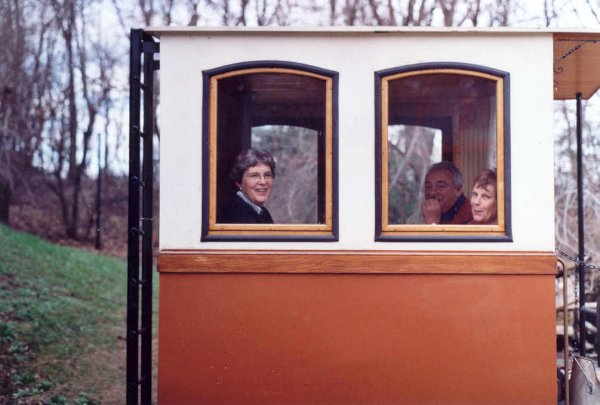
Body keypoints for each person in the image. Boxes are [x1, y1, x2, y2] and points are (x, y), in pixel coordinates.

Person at [219, 148, 276, 224]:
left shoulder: (262, 212)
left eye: (267, 175)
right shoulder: (236, 215)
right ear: (239, 182)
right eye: (254, 176)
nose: (263, 182)